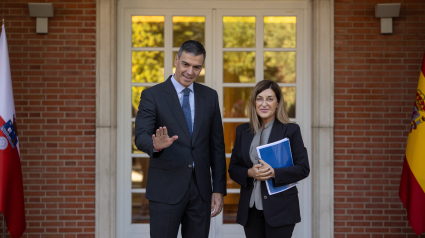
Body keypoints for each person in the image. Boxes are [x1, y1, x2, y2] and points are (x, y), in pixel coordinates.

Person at [134, 40, 227, 238]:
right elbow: (140, 135)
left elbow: (217, 146)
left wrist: (218, 189)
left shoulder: (210, 97)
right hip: (165, 188)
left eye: (197, 67)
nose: (190, 72)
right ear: (176, 60)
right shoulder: (153, 95)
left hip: (201, 191)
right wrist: (155, 145)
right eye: (185, 64)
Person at [228, 80, 310, 238]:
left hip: (281, 209)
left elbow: (303, 168)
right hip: (251, 210)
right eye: (259, 98)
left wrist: (274, 173)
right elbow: (233, 168)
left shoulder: (291, 130)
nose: (264, 104)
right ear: (254, 102)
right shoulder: (242, 131)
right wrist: (250, 173)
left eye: (270, 99)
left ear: (278, 103)